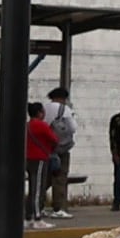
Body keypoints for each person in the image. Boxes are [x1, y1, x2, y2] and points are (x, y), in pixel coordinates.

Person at [22, 100, 59, 221]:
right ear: (39, 113)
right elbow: (54, 139)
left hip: (28, 159)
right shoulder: (41, 125)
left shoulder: (27, 125)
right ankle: (37, 216)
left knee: (33, 188)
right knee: (38, 188)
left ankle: (28, 216)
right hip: (40, 158)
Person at [44, 87, 78, 215]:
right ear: (63, 98)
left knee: (44, 179)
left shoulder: (44, 108)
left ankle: (38, 205)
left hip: (46, 149)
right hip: (61, 149)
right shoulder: (65, 110)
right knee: (60, 178)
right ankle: (59, 207)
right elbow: (73, 128)